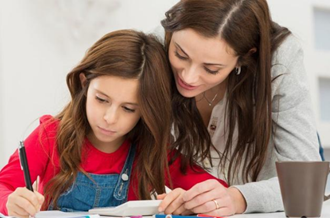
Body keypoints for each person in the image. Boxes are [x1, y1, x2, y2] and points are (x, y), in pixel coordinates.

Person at [0, 29, 227, 218]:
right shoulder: (49, 136)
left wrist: (188, 202)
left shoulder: (153, 150)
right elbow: (3, 186)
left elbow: (218, 192)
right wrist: (12, 202)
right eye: (101, 99)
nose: (109, 118)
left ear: (146, 111)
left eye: (128, 108)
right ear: (84, 84)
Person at [158, 0, 321, 216]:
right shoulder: (155, 47)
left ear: (244, 57)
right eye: (180, 55)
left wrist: (238, 198)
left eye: (211, 68)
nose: (188, 77)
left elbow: (304, 183)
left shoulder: (279, 58)